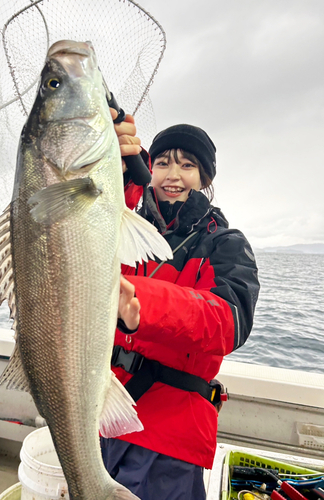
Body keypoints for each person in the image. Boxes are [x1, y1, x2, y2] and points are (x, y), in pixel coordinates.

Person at [104, 110, 260, 500]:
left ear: (204, 178)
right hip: (102, 412)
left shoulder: (225, 244)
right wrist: (113, 170)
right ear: (148, 170)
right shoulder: (122, 227)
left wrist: (141, 302)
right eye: (161, 163)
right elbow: (87, 230)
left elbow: (229, 322)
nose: (173, 175)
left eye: (188, 165)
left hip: (169, 432)